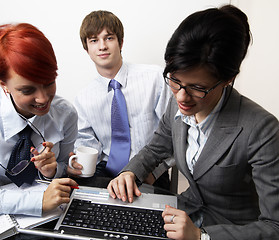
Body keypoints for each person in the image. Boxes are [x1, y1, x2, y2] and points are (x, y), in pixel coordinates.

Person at [107, 5, 279, 239]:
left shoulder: (262, 129)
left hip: (231, 230)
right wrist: (129, 173)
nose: (180, 96)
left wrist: (201, 237)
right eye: (174, 81)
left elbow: (274, 225)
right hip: (184, 212)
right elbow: (156, 148)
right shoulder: (177, 102)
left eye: (198, 88)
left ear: (229, 79)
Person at [0, 23, 78, 216]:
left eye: (49, 83)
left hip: (50, 218)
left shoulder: (66, 113)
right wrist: (37, 202)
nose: (44, 98)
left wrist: (52, 171)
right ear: (2, 83)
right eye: (27, 90)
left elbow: (65, 169)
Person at [68, 10, 173, 189]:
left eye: (109, 38)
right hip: (106, 173)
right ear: (87, 48)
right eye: (94, 40)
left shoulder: (154, 78)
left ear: (121, 42)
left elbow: (174, 131)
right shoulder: (83, 98)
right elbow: (86, 144)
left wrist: (154, 172)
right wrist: (77, 164)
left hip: (148, 172)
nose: (102, 46)